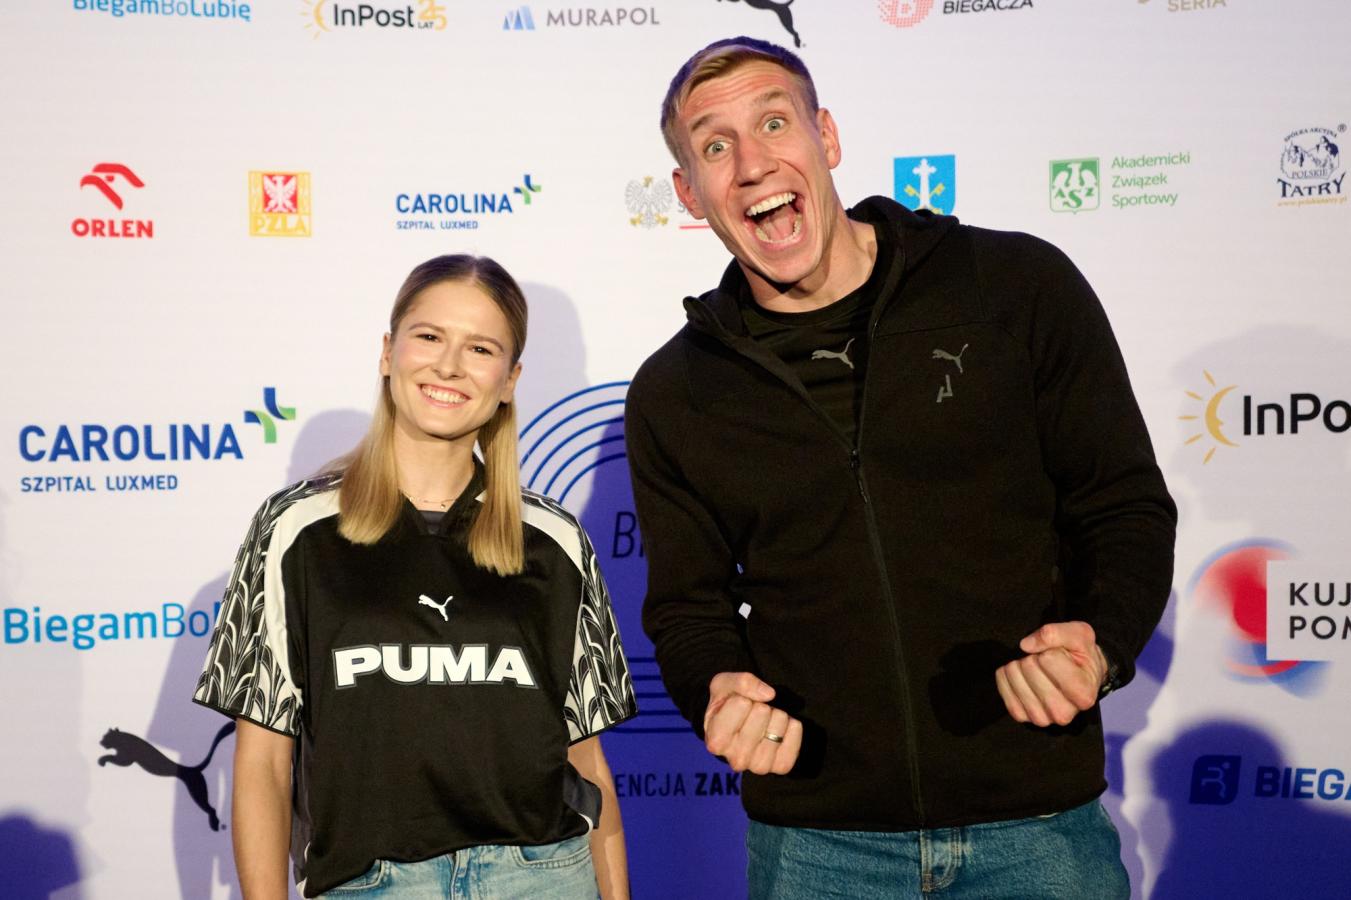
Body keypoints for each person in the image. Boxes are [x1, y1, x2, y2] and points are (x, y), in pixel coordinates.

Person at [625, 37, 1176, 899]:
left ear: (827, 137)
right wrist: (714, 691)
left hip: (1035, 827)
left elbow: (1122, 507)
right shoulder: (676, 390)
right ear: (688, 192)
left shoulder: (1012, 286)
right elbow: (687, 607)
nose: (752, 164)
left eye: (774, 122)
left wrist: (1101, 645)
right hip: (815, 847)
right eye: (715, 145)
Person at [193, 255, 637, 899]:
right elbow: (262, 761)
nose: (449, 366)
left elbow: (585, 759)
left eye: (480, 348)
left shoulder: (556, 539)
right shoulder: (294, 530)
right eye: (429, 336)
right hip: (369, 885)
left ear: (509, 380)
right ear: (388, 352)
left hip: (542, 879)